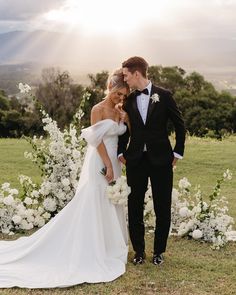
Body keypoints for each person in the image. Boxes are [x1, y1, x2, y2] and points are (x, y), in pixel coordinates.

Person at [0, 69, 130, 288]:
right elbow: (96, 140)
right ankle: (90, 245)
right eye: (118, 94)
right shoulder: (98, 109)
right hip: (100, 160)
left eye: (124, 95)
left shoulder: (121, 110)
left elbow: (126, 133)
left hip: (115, 162)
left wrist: (125, 119)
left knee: (110, 199)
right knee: (94, 197)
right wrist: (107, 163)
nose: (121, 98)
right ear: (110, 87)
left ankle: (109, 245)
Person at [118, 56, 186, 266]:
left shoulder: (164, 96)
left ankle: (159, 251)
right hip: (136, 160)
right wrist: (121, 152)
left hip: (162, 160)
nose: (125, 79)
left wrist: (177, 153)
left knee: (162, 206)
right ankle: (139, 251)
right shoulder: (128, 100)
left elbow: (180, 125)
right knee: (134, 206)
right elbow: (125, 130)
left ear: (136, 73)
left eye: (126, 75)